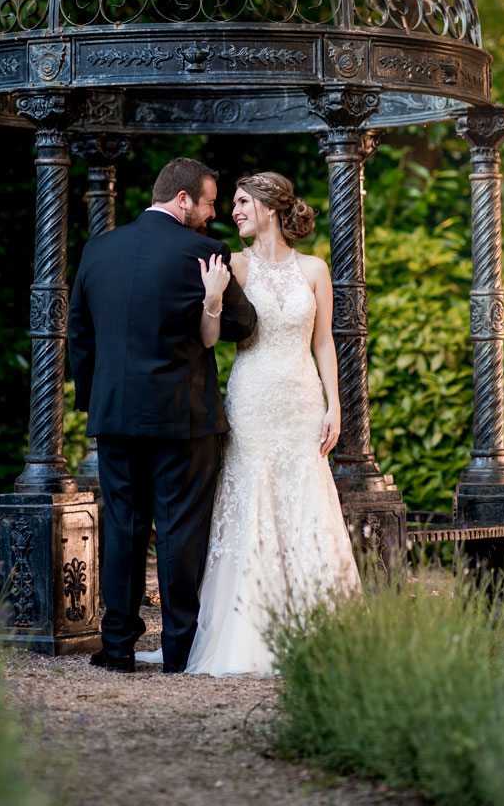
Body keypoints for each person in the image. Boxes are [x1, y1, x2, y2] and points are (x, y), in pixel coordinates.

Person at [67, 157, 257, 673]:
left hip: (115, 417)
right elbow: (244, 324)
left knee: (123, 528)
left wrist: (95, 401)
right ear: (183, 200)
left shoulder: (99, 249)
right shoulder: (203, 253)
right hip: (182, 416)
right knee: (180, 531)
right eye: (210, 202)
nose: (213, 213)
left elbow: (79, 336)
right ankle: (179, 650)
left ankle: (117, 648)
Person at [184, 171, 361, 676]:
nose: (233, 211)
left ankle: (317, 626)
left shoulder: (314, 268)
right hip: (253, 396)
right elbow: (209, 337)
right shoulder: (232, 265)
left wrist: (335, 403)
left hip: (303, 397)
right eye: (233, 203)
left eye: (242, 202)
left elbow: (324, 341)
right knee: (252, 495)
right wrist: (212, 298)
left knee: (305, 496)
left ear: (269, 206)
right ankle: (250, 630)